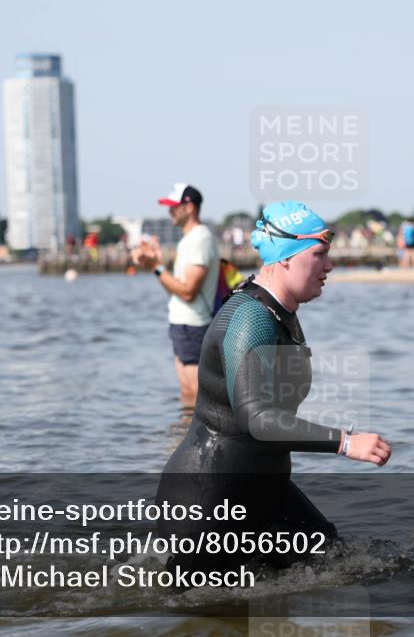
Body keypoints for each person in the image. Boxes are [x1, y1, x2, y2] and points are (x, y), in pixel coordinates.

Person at [156, 201, 392, 573]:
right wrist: (346, 442)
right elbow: (258, 418)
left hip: (261, 487)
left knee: (337, 562)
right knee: (211, 616)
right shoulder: (251, 319)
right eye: (319, 254)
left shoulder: (280, 311)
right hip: (210, 500)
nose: (329, 265)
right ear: (285, 257)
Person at [131, 184, 220, 414]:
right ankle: (184, 438)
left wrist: (157, 267)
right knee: (187, 391)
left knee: (196, 393)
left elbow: (188, 291)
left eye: (174, 207)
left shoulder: (200, 239)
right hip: (184, 323)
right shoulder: (189, 240)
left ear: (189, 208)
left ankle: (198, 444)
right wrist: (156, 266)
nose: (169, 212)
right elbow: (178, 291)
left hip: (194, 325)